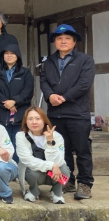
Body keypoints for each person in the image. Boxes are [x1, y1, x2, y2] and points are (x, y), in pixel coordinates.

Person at [40, 24, 95, 200]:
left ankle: (85, 184)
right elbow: (43, 81)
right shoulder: (49, 61)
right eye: (59, 38)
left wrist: (63, 97)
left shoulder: (85, 60)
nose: (63, 41)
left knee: (82, 150)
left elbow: (84, 84)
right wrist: (50, 95)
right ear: (54, 41)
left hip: (77, 113)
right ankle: (68, 180)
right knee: (62, 150)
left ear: (74, 41)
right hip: (55, 114)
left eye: (67, 38)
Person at [16, 107, 70, 205]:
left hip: (53, 173)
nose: (34, 122)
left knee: (64, 170)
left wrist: (50, 142)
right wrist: (51, 165)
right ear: (25, 122)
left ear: (44, 120)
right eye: (30, 119)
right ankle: (34, 191)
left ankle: (57, 192)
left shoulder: (56, 136)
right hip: (35, 171)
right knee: (30, 172)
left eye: (38, 118)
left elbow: (59, 161)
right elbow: (27, 159)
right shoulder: (20, 136)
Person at [0, 44, 34, 159]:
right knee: (2, 144)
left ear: (18, 56)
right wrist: (7, 104)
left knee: (19, 144)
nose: (9, 56)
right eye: (6, 53)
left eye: (12, 53)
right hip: (0, 114)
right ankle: (5, 167)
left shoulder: (25, 72)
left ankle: (18, 168)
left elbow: (28, 91)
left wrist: (14, 101)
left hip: (20, 114)